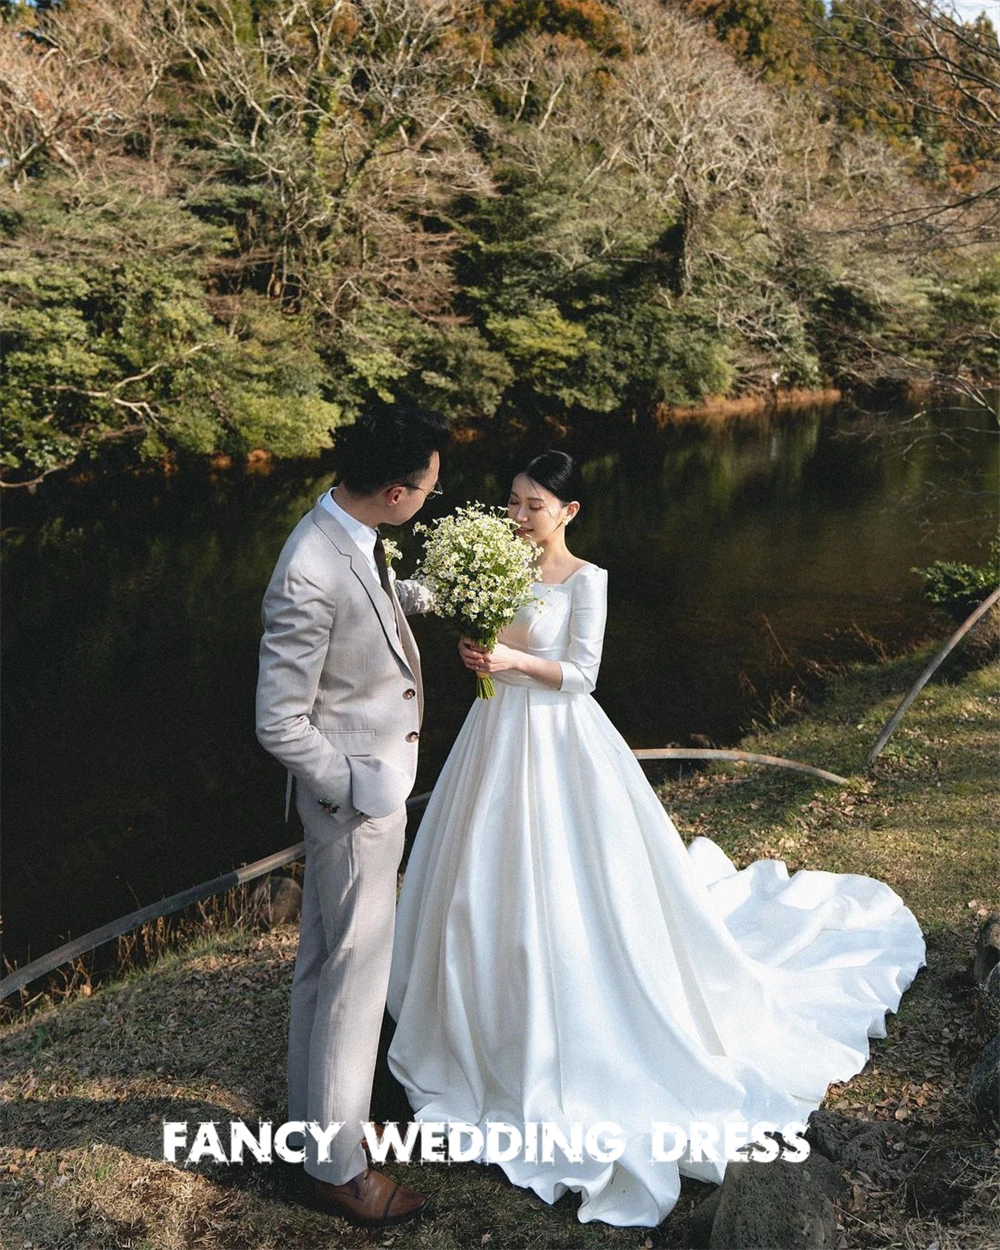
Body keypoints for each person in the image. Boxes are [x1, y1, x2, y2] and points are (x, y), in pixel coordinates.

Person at [386, 450, 926, 1228]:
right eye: (510, 502)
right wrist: (402, 585)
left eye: (533, 506)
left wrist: (506, 658)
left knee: (571, 888)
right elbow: (430, 594)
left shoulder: (587, 579)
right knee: (472, 875)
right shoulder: (490, 557)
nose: (516, 517)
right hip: (491, 733)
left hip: (558, 742)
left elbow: (582, 674)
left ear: (568, 513)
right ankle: (466, 1015)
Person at [255, 405, 449, 1228]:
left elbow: (368, 604)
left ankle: (315, 1130)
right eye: (429, 490)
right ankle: (338, 1168)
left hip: (360, 793)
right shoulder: (308, 567)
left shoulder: (348, 532)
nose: (431, 501)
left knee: (325, 966)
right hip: (355, 800)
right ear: (396, 490)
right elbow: (277, 721)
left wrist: (431, 593)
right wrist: (360, 787)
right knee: (353, 978)